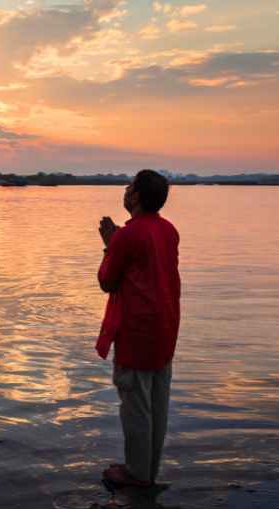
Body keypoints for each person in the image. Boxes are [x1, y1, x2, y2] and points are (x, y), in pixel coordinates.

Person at [96, 170, 181, 489]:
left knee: (135, 405)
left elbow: (107, 280)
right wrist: (117, 242)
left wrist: (109, 244)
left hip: (137, 330)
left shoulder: (128, 235)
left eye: (130, 186)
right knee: (157, 403)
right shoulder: (167, 230)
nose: (126, 190)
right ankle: (148, 470)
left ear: (135, 198)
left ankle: (137, 474)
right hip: (165, 327)